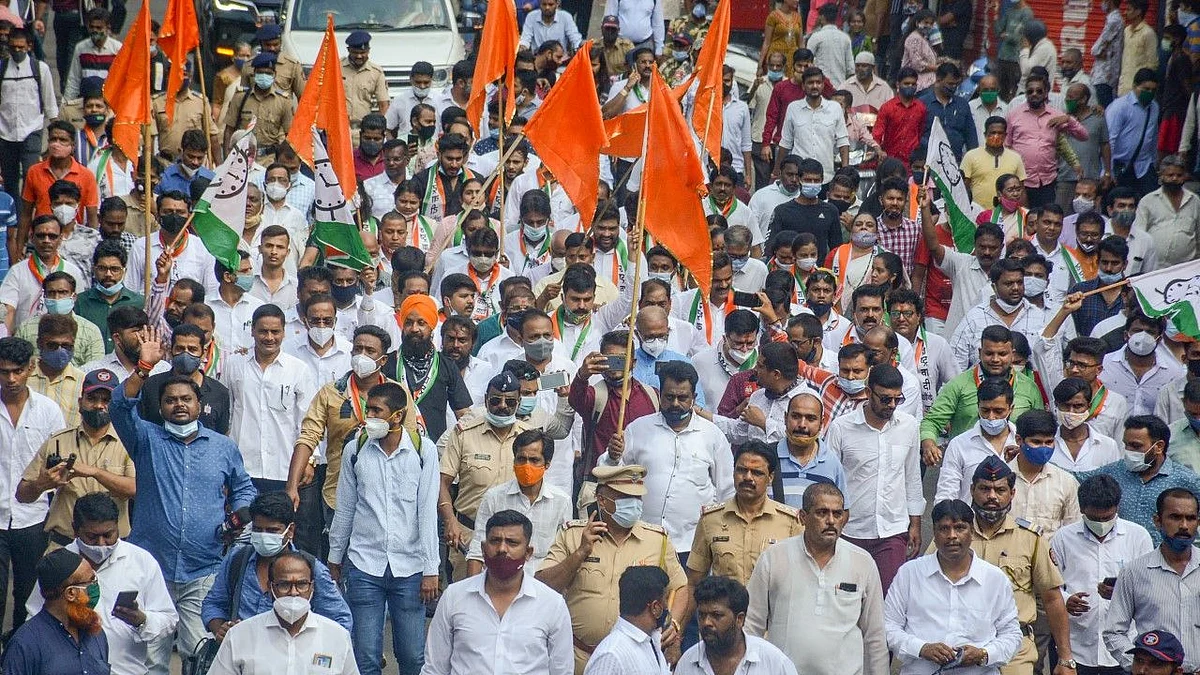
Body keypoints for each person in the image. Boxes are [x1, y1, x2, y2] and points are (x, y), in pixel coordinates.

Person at [110, 329, 257, 669]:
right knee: (152, 654)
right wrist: (144, 367)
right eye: (171, 400)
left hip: (203, 564)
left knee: (200, 651)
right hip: (152, 565)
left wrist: (237, 517)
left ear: (199, 405)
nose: (179, 405)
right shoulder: (145, 439)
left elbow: (244, 489)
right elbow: (119, 405)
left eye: (186, 399)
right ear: (160, 407)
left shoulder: (223, 447)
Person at [327, 381, 438, 675]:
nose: (369, 417)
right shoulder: (356, 449)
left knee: (413, 656)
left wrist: (431, 569)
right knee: (366, 657)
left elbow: (427, 513)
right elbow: (346, 507)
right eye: (368, 410)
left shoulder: (423, 451)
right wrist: (335, 558)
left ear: (397, 416)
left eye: (377, 411)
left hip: (410, 567)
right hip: (364, 565)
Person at [536, 465, 689, 674]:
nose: (633, 504)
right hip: (578, 657)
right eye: (625, 497)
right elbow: (543, 586)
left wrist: (675, 624)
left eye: (637, 498)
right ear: (601, 500)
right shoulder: (573, 534)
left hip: (632, 659)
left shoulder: (656, 540)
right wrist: (580, 553)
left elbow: (680, 587)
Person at [25, 492, 177, 675]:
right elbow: (34, 619)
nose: (101, 544)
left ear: (118, 527)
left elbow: (168, 619)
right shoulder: (57, 564)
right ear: (75, 530)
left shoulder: (142, 562)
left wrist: (142, 620)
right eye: (92, 537)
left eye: (108, 535)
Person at [746, 482, 887, 675]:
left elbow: (875, 636)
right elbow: (752, 624)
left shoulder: (862, 562)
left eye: (837, 514)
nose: (831, 521)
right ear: (803, 517)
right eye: (822, 513)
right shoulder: (774, 557)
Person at [603, 360, 734, 554]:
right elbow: (608, 473)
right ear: (660, 395)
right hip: (642, 540)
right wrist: (613, 457)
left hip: (692, 545)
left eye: (682, 398)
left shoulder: (712, 436)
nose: (675, 404)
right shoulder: (638, 429)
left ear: (694, 398)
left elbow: (727, 490)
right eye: (669, 397)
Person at [424, 509, 574, 675]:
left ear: (528, 553)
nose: (502, 548)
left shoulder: (552, 604)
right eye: (495, 541)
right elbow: (434, 669)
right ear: (483, 548)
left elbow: (562, 670)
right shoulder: (454, 596)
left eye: (512, 542)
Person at [884, 498, 1024, 674]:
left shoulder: (994, 579)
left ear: (971, 532)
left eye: (959, 528)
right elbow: (888, 627)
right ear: (934, 534)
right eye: (944, 529)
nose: (952, 535)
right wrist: (922, 648)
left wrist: (983, 654)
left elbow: (1012, 635)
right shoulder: (910, 574)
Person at [201, 491, 349, 640]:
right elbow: (214, 604)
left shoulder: (310, 569)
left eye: (272, 531)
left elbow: (340, 620)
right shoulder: (237, 560)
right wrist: (221, 630)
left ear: (290, 530)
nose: (264, 536)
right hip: (241, 654)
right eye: (258, 529)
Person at [827, 364, 923, 593]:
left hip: (892, 531)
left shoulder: (909, 426)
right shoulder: (841, 428)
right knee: (846, 598)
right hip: (850, 531)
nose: (891, 405)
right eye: (885, 399)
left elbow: (912, 476)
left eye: (896, 399)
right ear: (868, 393)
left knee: (889, 600)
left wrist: (916, 524)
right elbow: (829, 481)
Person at [17, 367, 134, 548]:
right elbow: (22, 495)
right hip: (64, 543)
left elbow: (134, 489)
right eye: (92, 399)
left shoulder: (128, 441)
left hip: (112, 545)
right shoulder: (57, 440)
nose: (99, 405)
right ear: (80, 402)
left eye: (106, 400)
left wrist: (95, 472)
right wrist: (42, 484)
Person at [1049, 474, 1155, 674]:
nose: (1102, 523)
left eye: (1107, 518)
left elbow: (1150, 588)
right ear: (1082, 509)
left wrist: (1121, 593)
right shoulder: (1064, 538)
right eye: (1095, 518)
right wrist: (1066, 600)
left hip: (1125, 648)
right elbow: (1051, 586)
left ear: (1117, 508)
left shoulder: (1138, 536)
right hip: (1077, 644)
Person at [0, 335, 64, 631]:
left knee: (27, 594)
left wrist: (42, 483)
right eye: (4, 371)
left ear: (31, 368)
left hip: (34, 516)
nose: (11, 378)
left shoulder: (48, 411)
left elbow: (58, 461)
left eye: (17, 371)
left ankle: (17, 654)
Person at [207, 552, 356, 675]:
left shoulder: (337, 637)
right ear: (270, 588)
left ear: (312, 587)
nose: (293, 592)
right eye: (284, 585)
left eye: (301, 584)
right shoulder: (239, 636)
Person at [1102, 487, 1200, 671]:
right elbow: (1114, 632)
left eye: (1191, 518)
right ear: (1157, 521)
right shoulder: (1134, 572)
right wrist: (1142, 666)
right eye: (1175, 517)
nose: (1184, 526)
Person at [686, 442, 802, 590]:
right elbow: (693, 582)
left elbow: (801, 581)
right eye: (742, 470)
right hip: (726, 610)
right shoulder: (710, 519)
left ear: (771, 477)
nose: (748, 477)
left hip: (772, 611)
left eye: (757, 473)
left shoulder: (791, 522)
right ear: (733, 472)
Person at [920, 325, 1044, 460]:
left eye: (1002, 354)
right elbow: (932, 421)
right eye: (989, 353)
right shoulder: (958, 385)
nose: (995, 359)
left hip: (1015, 465)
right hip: (966, 463)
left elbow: (1040, 428)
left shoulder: (1029, 387)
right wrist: (929, 443)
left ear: (1012, 354)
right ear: (980, 352)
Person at [1077, 416, 1200, 545]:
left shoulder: (1187, 480)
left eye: (1136, 446)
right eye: (1126, 445)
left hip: (1163, 560)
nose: (1129, 451)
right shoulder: (1115, 471)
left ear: (1158, 447)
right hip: (1121, 557)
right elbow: (1075, 478)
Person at [464, 430, 572, 575]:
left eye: (534, 460)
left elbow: (564, 552)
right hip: (499, 581)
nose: (526, 466)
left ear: (547, 464)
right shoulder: (494, 497)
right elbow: (478, 549)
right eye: (521, 459)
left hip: (542, 583)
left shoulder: (561, 501)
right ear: (514, 461)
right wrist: (472, 592)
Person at [1, 547, 110, 673]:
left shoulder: (95, 633)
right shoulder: (25, 644)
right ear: (71, 593)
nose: (94, 587)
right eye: (90, 582)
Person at [950, 258, 1053, 370]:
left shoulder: (1039, 318)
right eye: (1008, 283)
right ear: (994, 287)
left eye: (1019, 282)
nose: (1015, 288)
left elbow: (1049, 364)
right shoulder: (974, 318)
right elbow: (955, 366)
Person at [0, 27, 58, 216]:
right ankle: (13, 218)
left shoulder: (40, 69)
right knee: (9, 179)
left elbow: (50, 103)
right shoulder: (2, 69)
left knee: (31, 174)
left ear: (29, 46)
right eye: (13, 47)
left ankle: (32, 215)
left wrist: (55, 134)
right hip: (5, 132)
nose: (17, 51)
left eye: (21, 47)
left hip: (31, 130)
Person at [1008, 73, 1089, 208]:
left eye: (1039, 91)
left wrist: (1068, 120)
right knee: (1023, 221)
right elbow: (1007, 145)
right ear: (1026, 94)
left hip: (1047, 182)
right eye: (1030, 91)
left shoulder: (1056, 115)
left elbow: (1084, 135)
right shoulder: (1014, 115)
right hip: (1021, 182)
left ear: (1046, 93)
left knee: (1044, 220)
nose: (1034, 94)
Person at [935, 378, 1020, 503]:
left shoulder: (1022, 444)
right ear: (978, 407)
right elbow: (946, 494)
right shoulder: (959, 445)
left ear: (1011, 409)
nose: (991, 417)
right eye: (985, 411)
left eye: (998, 411)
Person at [583, 564, 674, 675]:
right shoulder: (611, 655)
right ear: (655, 608)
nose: (667, 606)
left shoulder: (651, 641)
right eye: (665, 599)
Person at [774, 67, 849, 186]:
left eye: (818, 82)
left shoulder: (835, 108)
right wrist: (776, 172)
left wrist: (845, 172)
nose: (814, 86)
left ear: (823, 85)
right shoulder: (793, 108)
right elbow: (785, 143)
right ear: (803, 86)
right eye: (810, 83)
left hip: (826, 177)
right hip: (798, 178)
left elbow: (843, 142)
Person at [1101, 312, 1185, 417]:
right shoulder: (1104, 365)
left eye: (1150, 332)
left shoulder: (1174, 372)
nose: (1143, 336)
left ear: (1159, 339)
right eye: (1137, 331)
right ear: (1126, 335)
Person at [73, 240, 144, 353]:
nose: (108, 274)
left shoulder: (138, 302)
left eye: (114, 269)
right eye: (102, 268)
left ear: (124, 271)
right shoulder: (79, 302)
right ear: (94, 269)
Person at [1131, 154, 1199, 267]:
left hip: (1186, 268)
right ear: (1161, 175)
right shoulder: (1148, 201)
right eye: (1170, 175)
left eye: (1179, 175)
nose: (1174, 179)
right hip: (1154, 268)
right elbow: (1139, 236)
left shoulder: (1194, 201)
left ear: (1185, 176)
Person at [1107, 69, 1161, 198]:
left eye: (1153, 90)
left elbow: (1153, 137)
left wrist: (1154, 162)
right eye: (1146, 89)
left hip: (1143, 166)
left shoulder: (1154, 107)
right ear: (1134, 86)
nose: (1149, 93)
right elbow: (1110, 139)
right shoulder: (1120, 107)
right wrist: (1108, 171)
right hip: (1120, 166)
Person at [962, 117, 1027, 210]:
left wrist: (1023, 214)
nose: (996, 136)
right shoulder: (971, 156)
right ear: (985, 135)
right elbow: (963, 188)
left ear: (1005, 135)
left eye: (1000, 133)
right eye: (992, 133)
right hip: (977, 213)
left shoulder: (1015, 158)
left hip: (1006, 214)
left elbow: (1022, 191)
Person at [921, 63, 976, 160]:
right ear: (938, 80)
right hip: (928, 160)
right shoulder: (922, 104)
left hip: (955, 160)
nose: (953, 87)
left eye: (956, 84)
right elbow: (916, 134)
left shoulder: (962, 105)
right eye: (950, 84)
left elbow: (971, 136)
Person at [341, 31, 389, 134]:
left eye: (362, 53)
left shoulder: (376, 72)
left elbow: (384, 105)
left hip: (363, 130)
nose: (359, 56)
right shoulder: (336, 67)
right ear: (348, 50)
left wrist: (379, 129)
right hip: (340, 129)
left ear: (368, 51)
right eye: (355, 52)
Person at [1118, 0, 1156, 96]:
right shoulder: (1126, 31)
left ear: (1138, 12)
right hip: (1123, 87)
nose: (1125, 12)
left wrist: (1144, 87)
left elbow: (1152, 64)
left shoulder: (1148, 33)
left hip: (1137, 90)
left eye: (1128, 9)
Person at [807, 4, 853, 84]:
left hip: (820, 85)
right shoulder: (845, 38)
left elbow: (807, 60)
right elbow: (850, 68)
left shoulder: (816, 37)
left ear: (822, 17)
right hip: (840, 85)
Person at [1090, 0, 1123, 107]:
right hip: (1103, 76)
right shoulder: (1112, 20)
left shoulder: (1114, 21)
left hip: (1105, 76)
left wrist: (1097, 50)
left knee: (1103, 111)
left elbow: (1096, 49)